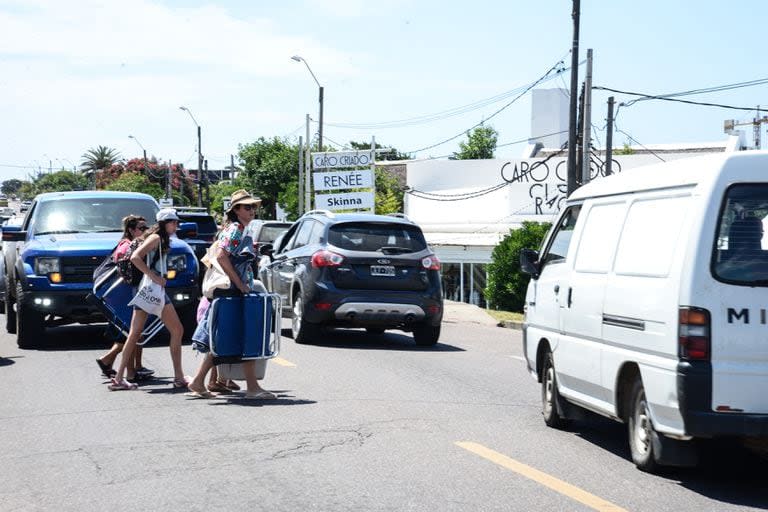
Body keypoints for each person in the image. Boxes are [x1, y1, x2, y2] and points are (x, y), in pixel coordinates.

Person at [188, 190, 276, 399]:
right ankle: (252, 388)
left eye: (253, 206)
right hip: (232, 291)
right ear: (236, 210)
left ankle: (199, 381)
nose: (252, 210)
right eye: (247, 207)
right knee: (245, 333)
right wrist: (240, 284)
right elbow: (221, 256)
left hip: (230, 291)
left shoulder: (236, 228)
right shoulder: (236, 229)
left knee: (226, 337)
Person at [109, 208, 189, 391]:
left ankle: (120, 377)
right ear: (163, 223)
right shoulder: (155, 238)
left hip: (148, 290)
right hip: (151, 289)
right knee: (175, 330)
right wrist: (154, 277)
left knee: (136, 332)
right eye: (172, 222)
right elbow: (135, 257)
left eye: (176, 221)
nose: (175, 224)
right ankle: (178, 377)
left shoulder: (161, 238)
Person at [96, 215, 154, 381]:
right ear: (131, 230)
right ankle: (128, 370)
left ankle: (128, 366)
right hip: (121, 295)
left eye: (146, 228)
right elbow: (125, 265)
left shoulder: (134, 244)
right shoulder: (126, 246)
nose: (145, 231)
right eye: (141, 228)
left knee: (133, 332)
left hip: (124, 294)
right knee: (132, 333)